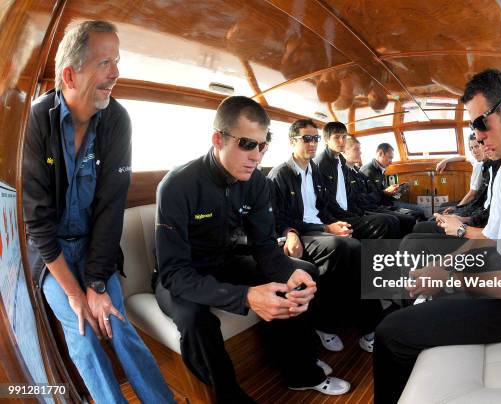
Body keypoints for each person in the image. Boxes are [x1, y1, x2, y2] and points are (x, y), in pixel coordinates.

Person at [373, 69, 501, 403]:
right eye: (473, 127)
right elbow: (488, 237)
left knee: (390, 335)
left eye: (482, 123)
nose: (478, 136)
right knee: (418, 254)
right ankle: (410, 314)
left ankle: (403, 325)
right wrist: (444, 266)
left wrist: (450, 279)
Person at [155, 97, 350, 403]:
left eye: (263, 146)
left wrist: (292, 271)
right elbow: (173, 273)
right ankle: (229, 396)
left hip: (227, 261)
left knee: (301, 273)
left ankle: (299, 370)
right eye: (247, 144)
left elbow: (264, 249)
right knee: (196, 321)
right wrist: (245, 296)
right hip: (184, 272)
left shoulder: (256, 183)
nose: (256, 156)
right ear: (218, 139)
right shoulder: (178, 186)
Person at [22, 20, 174, 403]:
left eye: (117, 61)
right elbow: (37, 222)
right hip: (51, 254)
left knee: (117, 324)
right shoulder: (36, 121)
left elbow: (111, 207)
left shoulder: (118, 121)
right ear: (70, 75)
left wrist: (97, 286)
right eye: (105, 62)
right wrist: (76, 295)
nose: (116, 73)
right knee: (85, 333)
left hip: (96, 246)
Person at [268, 119, 383, 354]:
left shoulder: (315, 172)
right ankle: (325, 325)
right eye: (306, 139)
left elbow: (324, 207)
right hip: (299, 234)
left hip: (319, 229)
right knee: (345, 247)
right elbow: (278, 219)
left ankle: (368, 325)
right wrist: (324, 230)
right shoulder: (279, 175)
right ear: (292, 141)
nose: (312, 144)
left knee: (357, 246)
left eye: (315, 139)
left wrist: (334, 223)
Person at [313, 122, 400, 239]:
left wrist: (358, 212)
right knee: (386, 222)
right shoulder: (320, 164)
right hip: (335, 217)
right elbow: (325, 201)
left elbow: (349, 193)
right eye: (336, 137)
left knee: (391, 220)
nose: (341, 141)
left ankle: (385, 255)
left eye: (344, 137)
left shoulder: (340, 161)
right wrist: (340, 220)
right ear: (326, 140)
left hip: (349, 211)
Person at [342, 135, 417, 235]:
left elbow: (369, 195)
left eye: (359, 149)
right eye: (356, 149)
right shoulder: (352, 172)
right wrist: (385, 193)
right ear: (344, 151)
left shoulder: (357, 172)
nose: (360, 152)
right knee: (395, 220)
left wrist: (394, 192)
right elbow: (362, 198)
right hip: (365, 209)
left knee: (409, 218)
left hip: (373, 206)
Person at [360, 143, 425, 217]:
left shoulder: (381, 169)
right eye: (390, 158)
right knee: (420, 211)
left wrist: (396, 191)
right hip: (380, 207)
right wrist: (386, 192)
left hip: (388, 202)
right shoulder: (367, 171)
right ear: (381, 153)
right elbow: (369, 199)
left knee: (421, 209)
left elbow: (381, 192)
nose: (391, 162)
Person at [437, 133, 486, 213]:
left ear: (483, 145)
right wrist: (445, 161)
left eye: (477, 146)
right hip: (474, 201)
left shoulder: (480, 165)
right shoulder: (476, 161)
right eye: (471, 147)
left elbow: (472, 194)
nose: (474, 151)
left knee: (441, 212)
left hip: (476, 204)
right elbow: (464, 157)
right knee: (442, 207)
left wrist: (457, 208)